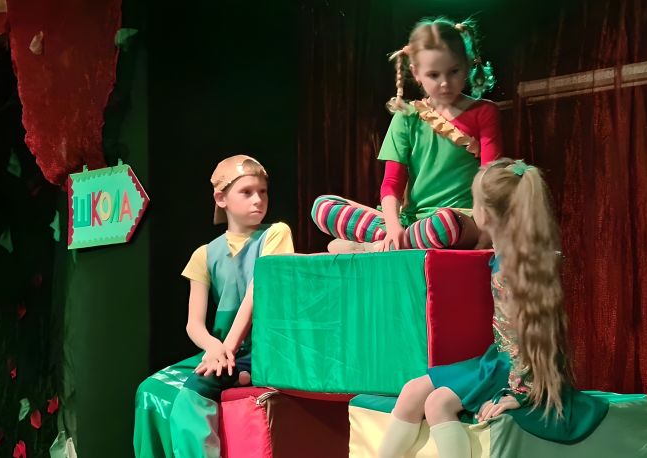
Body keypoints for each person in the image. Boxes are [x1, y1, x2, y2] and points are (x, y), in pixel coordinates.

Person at [377, 159, 609, 457]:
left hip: (517, 370)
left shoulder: (513, 267)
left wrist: (520, 393)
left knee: (437, 404)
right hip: (498, 359)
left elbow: (527, 335)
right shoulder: (507, 251)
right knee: (412, 392)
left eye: (473, 201)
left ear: (485, 213)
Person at [133, 155, 294, 458]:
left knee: (193, 394)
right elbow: (194, 323)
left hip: (261, 348)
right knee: (150, 391)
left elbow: (256, 293)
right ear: (221, 199)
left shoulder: (275, 234)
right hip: (223, 349)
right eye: (246, 192)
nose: (258, 199)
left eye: (262, 191)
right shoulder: (204, 254)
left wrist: (227, 350)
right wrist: (214, 348)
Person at [311, 17, 502, 252]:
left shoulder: (484, 112)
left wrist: (488, 231)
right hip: (411, 221)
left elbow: (490, 179)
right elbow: (392, 183)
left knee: (444, 225)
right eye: (434, 75)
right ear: (416, 73)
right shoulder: (407, 116)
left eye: (453, 71)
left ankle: (375, 247)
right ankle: (394, 241)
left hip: (463, 218)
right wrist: (393, 227)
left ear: (467, 64)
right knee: (323, 207)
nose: (444, 83)